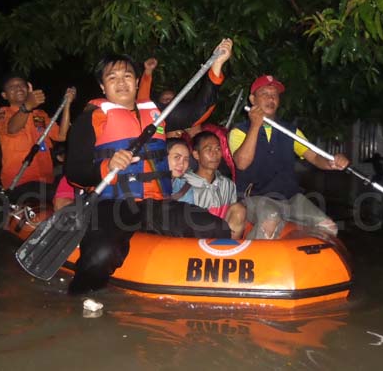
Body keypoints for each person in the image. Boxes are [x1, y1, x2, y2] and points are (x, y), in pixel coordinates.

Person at [64, 39, 234, 294]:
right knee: (100, 257)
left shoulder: (157, 112)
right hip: (113, 204)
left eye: (127, 75)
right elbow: (74, 173)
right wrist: (106, 166)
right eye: (112, 77)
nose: (121, 82)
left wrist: (217, 67)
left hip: (155, 204)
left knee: (217, 228)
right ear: (102, 86)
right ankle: (78, 299)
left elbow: (199, 111)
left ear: (136, 81)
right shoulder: (90, 119)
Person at [228, 75, 349, 239]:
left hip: (291, 198)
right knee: (271, 219)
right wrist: (256, 125)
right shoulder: (239, 131)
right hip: (256, 198)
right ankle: (252, 262)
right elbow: (242, 163)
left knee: (328, 227)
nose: (271, 98)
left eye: (275, 94)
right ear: (252, 99)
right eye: (265, 93)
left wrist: (331, 163)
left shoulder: (291, 131)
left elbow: (314, 157)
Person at [0, 74, 76, 204]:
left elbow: (61, 135)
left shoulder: (40, 115)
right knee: (63, 197)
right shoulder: (2, 115)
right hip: (19, 182)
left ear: (28, 88)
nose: (18, 88)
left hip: (46, 180)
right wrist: (27, 106)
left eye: (21, 84)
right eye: (12, 87)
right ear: (5, 95)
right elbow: (12, 129)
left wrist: (67, 105)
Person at [171, 132, 246, 239]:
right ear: (196, 154)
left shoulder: (228, 185)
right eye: (208, 149)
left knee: (239, 210)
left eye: (218, 149)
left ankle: (228, 251)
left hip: (220, 242)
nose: (214, 154)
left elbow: (234, 219)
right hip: (191, 241)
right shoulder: (183, 183)